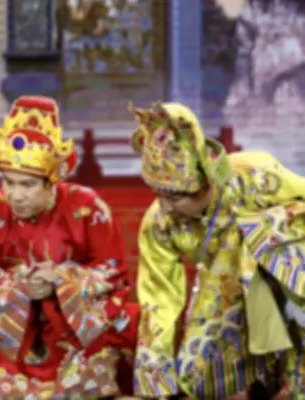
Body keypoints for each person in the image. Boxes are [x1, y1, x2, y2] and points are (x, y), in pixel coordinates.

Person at [0, 95, 140, 399]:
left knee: (115, 316)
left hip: (73, 315)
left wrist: (61, 280)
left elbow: (112, 270)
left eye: (27, 185)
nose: (15, 195)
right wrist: (25, 285)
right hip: (19, 316)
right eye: (8, 182)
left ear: (52, 182)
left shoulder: (87, 207)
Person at [130, 101, 305, 399]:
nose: (165, 207)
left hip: (283, 277)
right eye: (158, 194)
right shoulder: (159, 223)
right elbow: (159, 298)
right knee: (196, 377)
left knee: (266, 234)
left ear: (203, 182)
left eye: (174, 197)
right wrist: (154, 383)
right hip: (223, 289)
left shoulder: (254, 173)